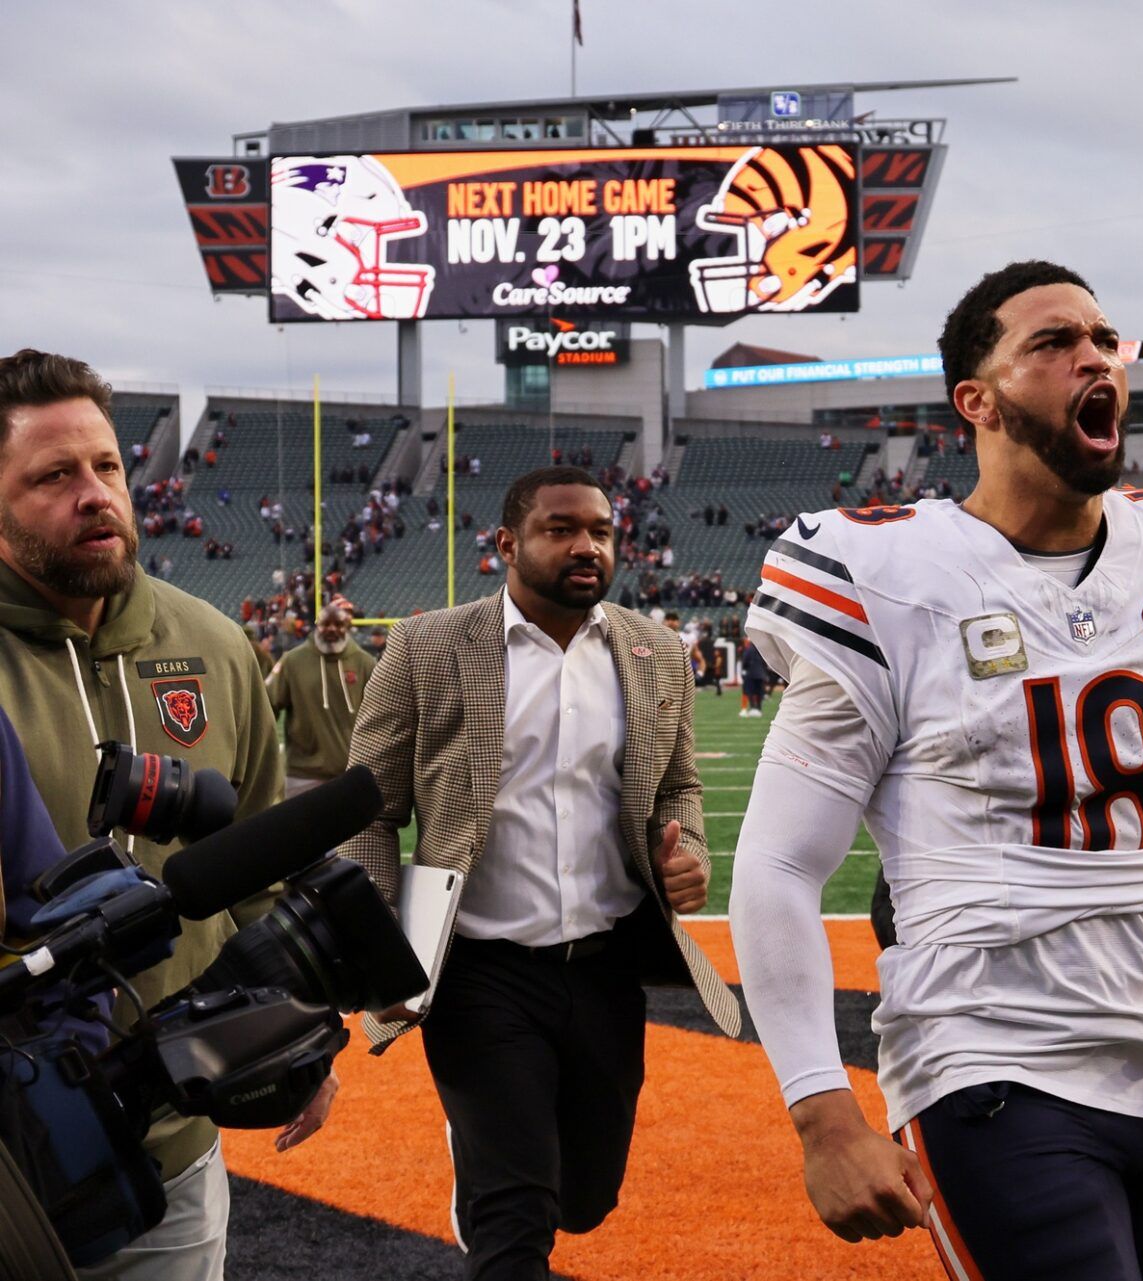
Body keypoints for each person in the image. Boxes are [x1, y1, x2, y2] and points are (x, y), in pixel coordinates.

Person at [731, 260, 1143, 1280]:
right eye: (1050, 344)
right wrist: (824, 1114)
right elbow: (778, 866)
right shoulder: (886, 572)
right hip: (990, 1062)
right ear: (978, 401)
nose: (1091, 355)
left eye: (1101, 336)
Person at [343, 465, 740, 1280]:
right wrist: (379, 942)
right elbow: (367, 809)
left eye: (599, 530)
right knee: (516, 1218)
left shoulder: (656, 649)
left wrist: (689, 849)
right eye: (561, 528)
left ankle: (488, 1163)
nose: (586, 544)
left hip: (604, 966)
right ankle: (490, 1172)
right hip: (478, 969)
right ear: (506, 544)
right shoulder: (429, 645)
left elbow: (679, 785)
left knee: (584, 1195)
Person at [0, 348, 294, 1279]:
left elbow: (259, 862)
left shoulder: (211, 641)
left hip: (171, 1144)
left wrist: (295, 1030)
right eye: (54, 475)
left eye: (108, 466)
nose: (95, 493)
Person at [263, 603, 377, 799]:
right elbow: (266, 705)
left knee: (353, 830)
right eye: (325, 624)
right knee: (301, 829)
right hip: (303, 773)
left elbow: (381, 713)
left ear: (347, 626)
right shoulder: (293, 661)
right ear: (317, 625)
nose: (332, 629)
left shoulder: (364, 662)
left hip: (353, 771)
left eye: (338, 624)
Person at [737, 634, 772, 717]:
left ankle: (753, 708)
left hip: (751, 673)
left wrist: (745, 670)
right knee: (759, 692)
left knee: (750, 691)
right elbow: (765, 662)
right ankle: (759, 709)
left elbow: (745, 661)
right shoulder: (761, 650)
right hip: (761, 674)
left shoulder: (749, 650)